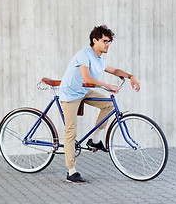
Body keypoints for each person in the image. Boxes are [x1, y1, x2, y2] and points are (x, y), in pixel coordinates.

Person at [59, 25, 140, 183]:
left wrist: (131, 76)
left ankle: (95, 140)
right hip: (70, 94)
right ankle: (71, 171)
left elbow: (115, 71)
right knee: (70, 131)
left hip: (83, 91)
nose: (107, 44)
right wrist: (108, 86)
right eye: (105, 41)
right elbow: (87, 79)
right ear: (94, 41)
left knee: (108, 105)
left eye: (109, 41)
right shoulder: (84, 55)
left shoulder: (99, 60)